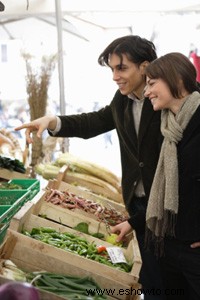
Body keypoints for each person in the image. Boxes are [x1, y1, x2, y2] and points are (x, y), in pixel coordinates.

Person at [15, 35, 164, 299]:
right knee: (151, 281)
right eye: (112, 69)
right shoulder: (122, 101)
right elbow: (93, 122)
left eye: (122, 68)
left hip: (168, 207)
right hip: (139, 206)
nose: (115, 76)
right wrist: (52, 121)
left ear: (144, 66)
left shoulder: (169, 99)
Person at [144, 52, 200, 300]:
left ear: (175, 79)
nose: (147, 92)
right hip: (168, 242)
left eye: (151, 83)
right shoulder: (166, 126)